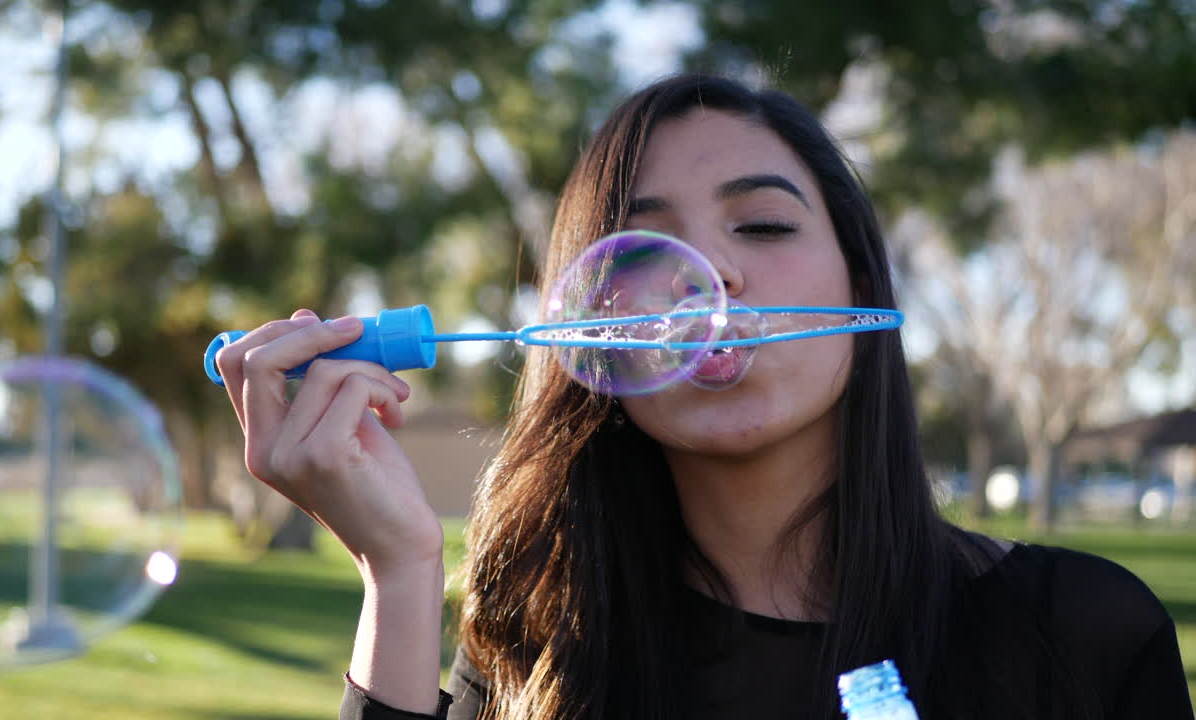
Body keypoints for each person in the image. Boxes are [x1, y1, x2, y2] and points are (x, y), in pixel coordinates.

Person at [212, 74, 1193, 719]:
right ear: (583, 326)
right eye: (644, 251)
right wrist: (398, 568)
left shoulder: (1078, 634)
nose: (706, 279)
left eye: (761, 225)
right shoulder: (534, 645)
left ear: (859, 292)